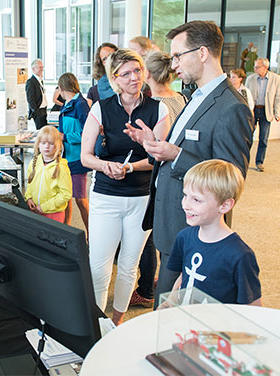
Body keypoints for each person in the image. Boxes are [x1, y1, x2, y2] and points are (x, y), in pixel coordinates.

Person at [123, 20, 254, 309]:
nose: (173, 64)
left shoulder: (232, 108)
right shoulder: (196, 96)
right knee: (166, 307)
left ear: (203, 53)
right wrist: (154, 145)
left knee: (175, 315)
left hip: (193, 231)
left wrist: (176, 155)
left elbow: (231, 179)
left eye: (178, 56)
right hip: (171, 222)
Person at [80, 49, 170, 325]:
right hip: (106, 197)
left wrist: (131, 166)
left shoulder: (158, 109)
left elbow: (159, 156)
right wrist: (106, 166)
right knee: (99, 267)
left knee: (130, 267)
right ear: (115, 79)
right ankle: (96, 324)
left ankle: (116, 321)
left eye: (138, 71)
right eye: (126, 73)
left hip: (141, 198)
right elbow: (86, 157)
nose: (134, 77)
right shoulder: (101, 108)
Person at [128, 50, 187, 308]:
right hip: (181, 179)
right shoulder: (182, 99)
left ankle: (147, 289)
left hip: (161, 177)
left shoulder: (156, 106)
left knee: (152, 239)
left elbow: (157, 149)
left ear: (147, 74)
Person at [168, 159, 262, 306]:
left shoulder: (240, 255)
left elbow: (253, 305)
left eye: (197, 200)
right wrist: (170, 301)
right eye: (185, 195)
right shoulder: (184, 237)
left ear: (224, 205)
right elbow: (183, 276)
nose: (185, 205)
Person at [57, 73, 91, 233]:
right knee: (67, 197)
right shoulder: (68, 104)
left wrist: (66, 137)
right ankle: (67, 230)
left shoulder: (80, 105)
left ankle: (92, 234)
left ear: (62, 88)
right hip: (66, 158)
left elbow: (88, 132)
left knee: (81, 199)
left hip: (77, 159)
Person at [24, 126, 72, 223]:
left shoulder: (62, 167)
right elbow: (29, 183)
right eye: (43, 143)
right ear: (38, 144)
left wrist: (44, 207)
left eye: (51, 143)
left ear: (58, 145)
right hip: (35, 211)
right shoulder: (34, 162)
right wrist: (28, 197)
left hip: (53, 214)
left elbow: (65, 194)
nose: (46, 146)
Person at [245, 58, 280, 172]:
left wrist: (277, 112)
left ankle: (259, 162)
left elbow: (278, 97)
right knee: (247, 136)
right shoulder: (250, 79)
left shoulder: (275, 79)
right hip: (253, 110)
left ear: (265, 67)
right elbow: (245, 96)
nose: (255, 69)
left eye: (257, 67)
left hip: (266, 111)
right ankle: (244, 160)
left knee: (263, 138)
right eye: (255, 67)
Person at [26, 59, 49, 129]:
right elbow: (30, 99)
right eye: (40, 67)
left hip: (43, 110)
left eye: (42, 67)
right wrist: (36, 111)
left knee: (44, 130)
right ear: (33, 69)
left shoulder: (40, 80)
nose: (42, 69)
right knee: (41, 131)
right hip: (38, 111)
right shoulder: (31, 81)